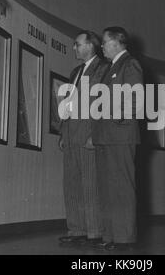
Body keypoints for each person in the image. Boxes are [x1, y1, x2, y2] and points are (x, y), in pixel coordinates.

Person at [91, 26, 144, 251]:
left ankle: (124, 237)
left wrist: (111, 117)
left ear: (116, 42)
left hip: (120, 135)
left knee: (121, 187)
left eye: (104, 42)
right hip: (106, 136)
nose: (101, 46)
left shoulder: (129, 64)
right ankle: (110, 234)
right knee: (106, 188)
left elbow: (135, 100)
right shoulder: (109, 68)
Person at [58, 30, 109, 245]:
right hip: (70, 136)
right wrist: (63, 132)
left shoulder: (104, 69)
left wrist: (94, 136)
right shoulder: (75, 72)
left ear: (90, 46)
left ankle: (94, 231)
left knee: (90, 184)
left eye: (77, 44)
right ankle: (76, 230)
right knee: (71, 185)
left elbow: (104, 106)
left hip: (88, 135)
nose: (74, 48)